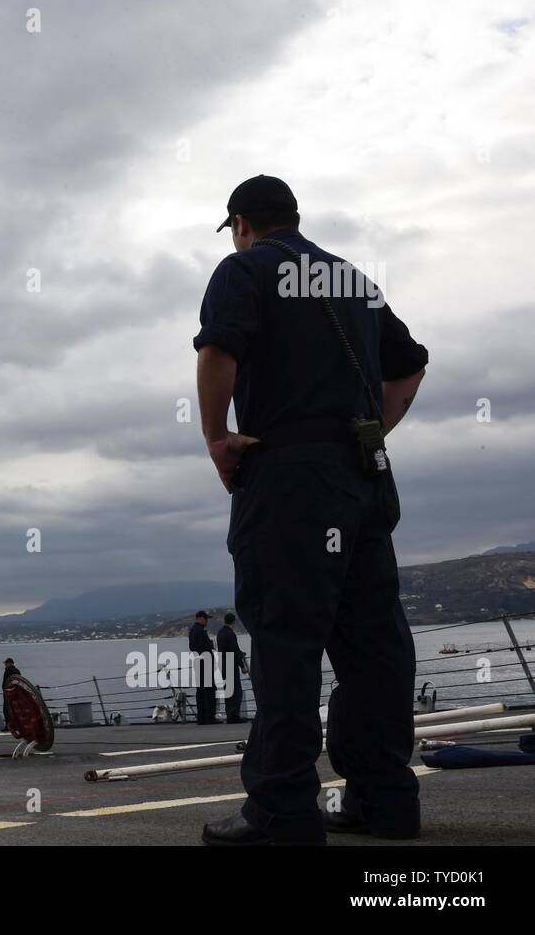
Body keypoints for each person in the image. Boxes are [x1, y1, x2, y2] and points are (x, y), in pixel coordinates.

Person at [194, 176, 428, 845]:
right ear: (293, 217)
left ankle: (282, 811)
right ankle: (386, 799)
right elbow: (409, 367)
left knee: (285, 642)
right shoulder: (352, 277)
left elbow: (218, 351)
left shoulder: (243, 268)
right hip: (363, 476)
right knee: (373, 643)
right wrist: (369, 431)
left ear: (241, 222)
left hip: (290, 479)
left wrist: (217, 437)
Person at [217, 612, 248, 723]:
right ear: (233, 622)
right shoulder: (231, 634)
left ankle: (230, 714)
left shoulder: (220, 633)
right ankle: (234, 716)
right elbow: (234, 650)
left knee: (228, 690)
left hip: (223, 663)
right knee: (236, 691)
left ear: (224, 620)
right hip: (231, 663)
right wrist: (242, 666)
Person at [188, 611, 217, 724]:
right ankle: (209, 717)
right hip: (205, 663)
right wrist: (210, 645)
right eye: (205, 619)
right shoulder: (201, 631)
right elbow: (206, 646)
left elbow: (192, 647)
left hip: (198, 662)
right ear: (200, 618)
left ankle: (201, 717)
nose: (206, 621)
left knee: (200, 691)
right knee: (209, 690)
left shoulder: (192, 631)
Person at [1, 658, 21, 731]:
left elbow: (5, 683)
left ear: (9, 663)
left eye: (6, 664)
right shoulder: (17, 671)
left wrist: (4, 689)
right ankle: (17, 725)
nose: (5, 665)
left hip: (8, 693)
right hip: (16, 693)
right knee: (15, 710)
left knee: (6, 710)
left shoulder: (7, 671)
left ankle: (9, 726)